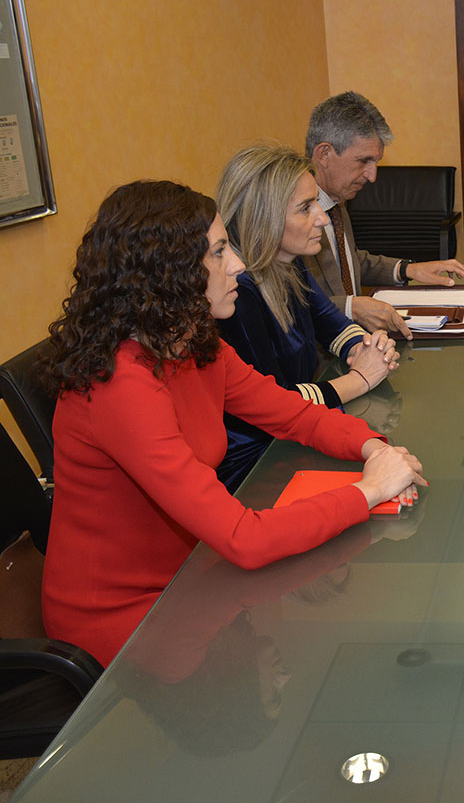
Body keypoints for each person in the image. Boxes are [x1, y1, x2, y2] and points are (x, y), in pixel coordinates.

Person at [38, 180, 426, 665]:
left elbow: (294, 416)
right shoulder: (122, 386)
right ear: (170, 273)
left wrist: (373, 448)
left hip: (196, 572)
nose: (239, 265)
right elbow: (244, 538)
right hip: (129, 619)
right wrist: (368, 491)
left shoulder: (191, 343)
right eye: (220, 252)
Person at [214, 143, 400, 491]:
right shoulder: (236, 294)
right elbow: (276, 406)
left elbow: (330, 323)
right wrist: (360, 378)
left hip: (296, 441)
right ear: (263, 218)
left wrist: (364, 346)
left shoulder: (287, 260)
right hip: (256, 468)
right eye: (305, 207)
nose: (323, 217)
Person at [303, 91, 464, 338]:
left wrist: (408, 270)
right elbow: (289, 303)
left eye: (375, 162)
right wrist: (351, 307)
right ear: (324, 154)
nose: (372, 176)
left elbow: (347, 262)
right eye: (363, 161)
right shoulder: (291, 215)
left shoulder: (337, 200)